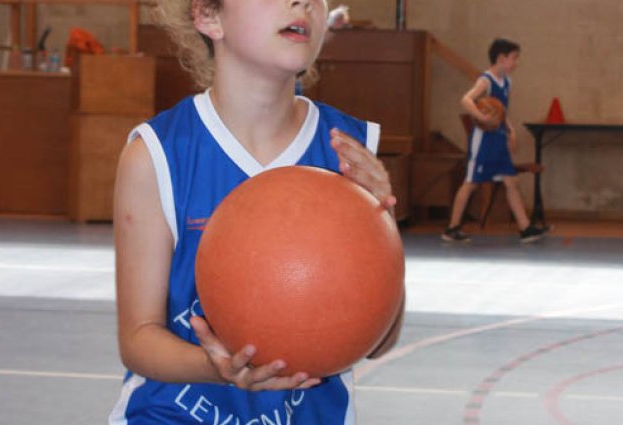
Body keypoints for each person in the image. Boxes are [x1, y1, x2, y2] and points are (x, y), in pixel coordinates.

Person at [108, 1, 404, 424]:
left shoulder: (349, 152)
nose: (303, 2)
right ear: (209, 16)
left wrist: (382, 224)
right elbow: (138, 338)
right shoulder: (157, 155)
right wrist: (215, 368)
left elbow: (376, 339)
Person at [441, 38, 549, 244]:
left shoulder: (507, 81)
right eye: (514, 58)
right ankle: (452, 228)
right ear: (501, 58)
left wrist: (511, 131)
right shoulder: (486, 80)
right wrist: (480, 117)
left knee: (511, 182)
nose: (516, 63)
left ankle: (526, 229)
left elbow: (500, 112)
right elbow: (466, 99)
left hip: (499, 140)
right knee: (471, 183)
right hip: (483, 141)